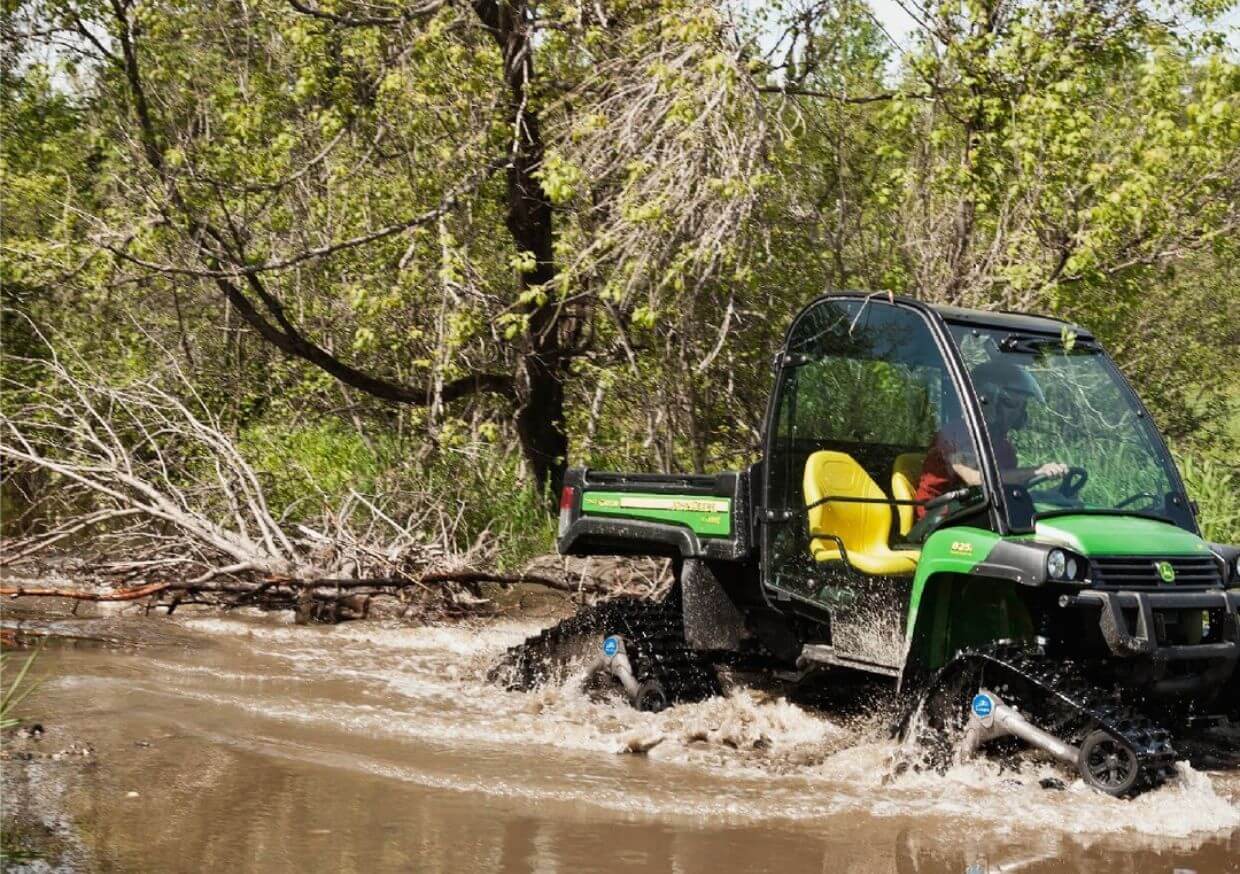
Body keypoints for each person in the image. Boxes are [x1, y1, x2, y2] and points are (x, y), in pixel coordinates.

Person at [914, 360, 1068, 519]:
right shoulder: (953, 435)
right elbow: (976, 479)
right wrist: (1036, 471)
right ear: (984, 399)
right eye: (1012, 403)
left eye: (1023, 406)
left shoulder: (1004, 448)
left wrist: (1049, 495)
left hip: (978, 515)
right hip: (938, 520)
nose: (1019, 413)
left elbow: (1005, 489)